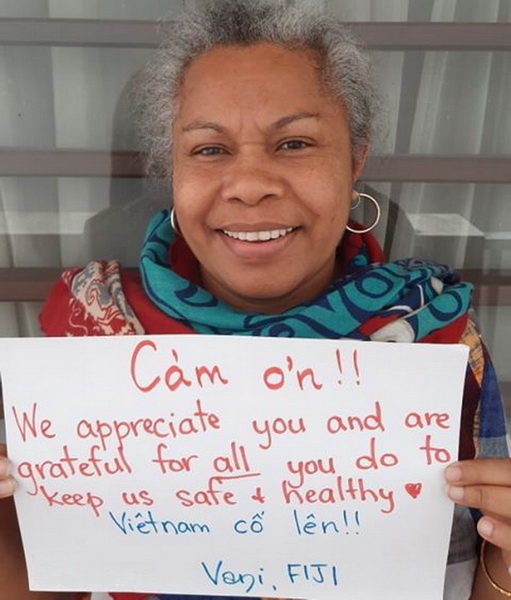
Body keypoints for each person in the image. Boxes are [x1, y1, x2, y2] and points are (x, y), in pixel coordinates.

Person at [0, 1, 510, 599]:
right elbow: (52, 581)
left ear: (355, 158)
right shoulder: (94, 337)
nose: (249, 186)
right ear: (173, 169)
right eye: (209, 150)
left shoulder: (432, 336)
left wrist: (505, 558)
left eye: (293, 143)